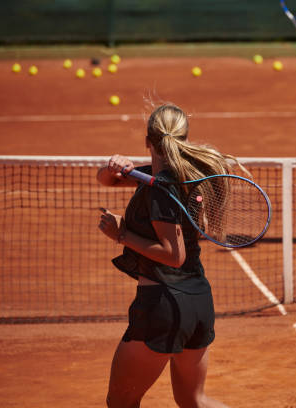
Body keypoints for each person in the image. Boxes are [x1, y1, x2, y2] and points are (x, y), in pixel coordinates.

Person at [97, 103, 232, 408]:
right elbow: (107, 180)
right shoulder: (187, 177)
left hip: (162, 307)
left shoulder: (160, 187)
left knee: (120, 402)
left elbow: (174, 255)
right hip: (198, 303)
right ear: (182, 139)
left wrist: (122, 234)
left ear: (148, 140)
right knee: (193, 401)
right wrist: (112, 168)